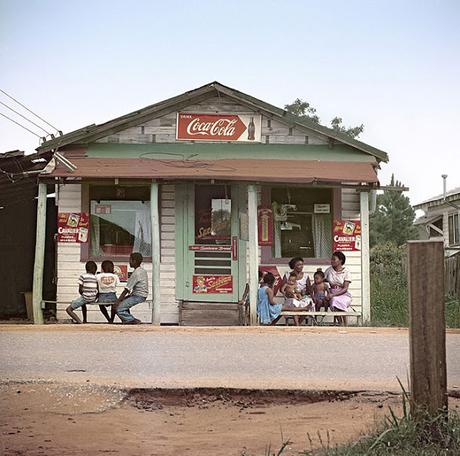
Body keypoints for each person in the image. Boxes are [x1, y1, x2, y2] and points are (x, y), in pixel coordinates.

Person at [114, 252, 148, 324]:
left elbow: (127, 289)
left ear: (134, 261)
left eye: (130, 260)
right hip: (140, 295)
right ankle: (127, 320)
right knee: (123, 303)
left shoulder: (136, 273)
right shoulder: (142, 270)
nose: (129, 262)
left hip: (138, 296)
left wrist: (118, 301)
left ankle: (131, 320)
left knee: (119, 309)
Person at [324, 251, 352, 326]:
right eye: (331, 259)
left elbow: (345, 288)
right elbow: (323, 281)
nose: (332, 261)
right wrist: (328, 291)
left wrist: (333, 295)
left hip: (343, 293)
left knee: (339, 301)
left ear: (340, 261)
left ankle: (346, 324)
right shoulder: (329, 270)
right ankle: (340, 323)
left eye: (334, 259)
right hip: (332, 292)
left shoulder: (346, 271)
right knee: (334, 301)